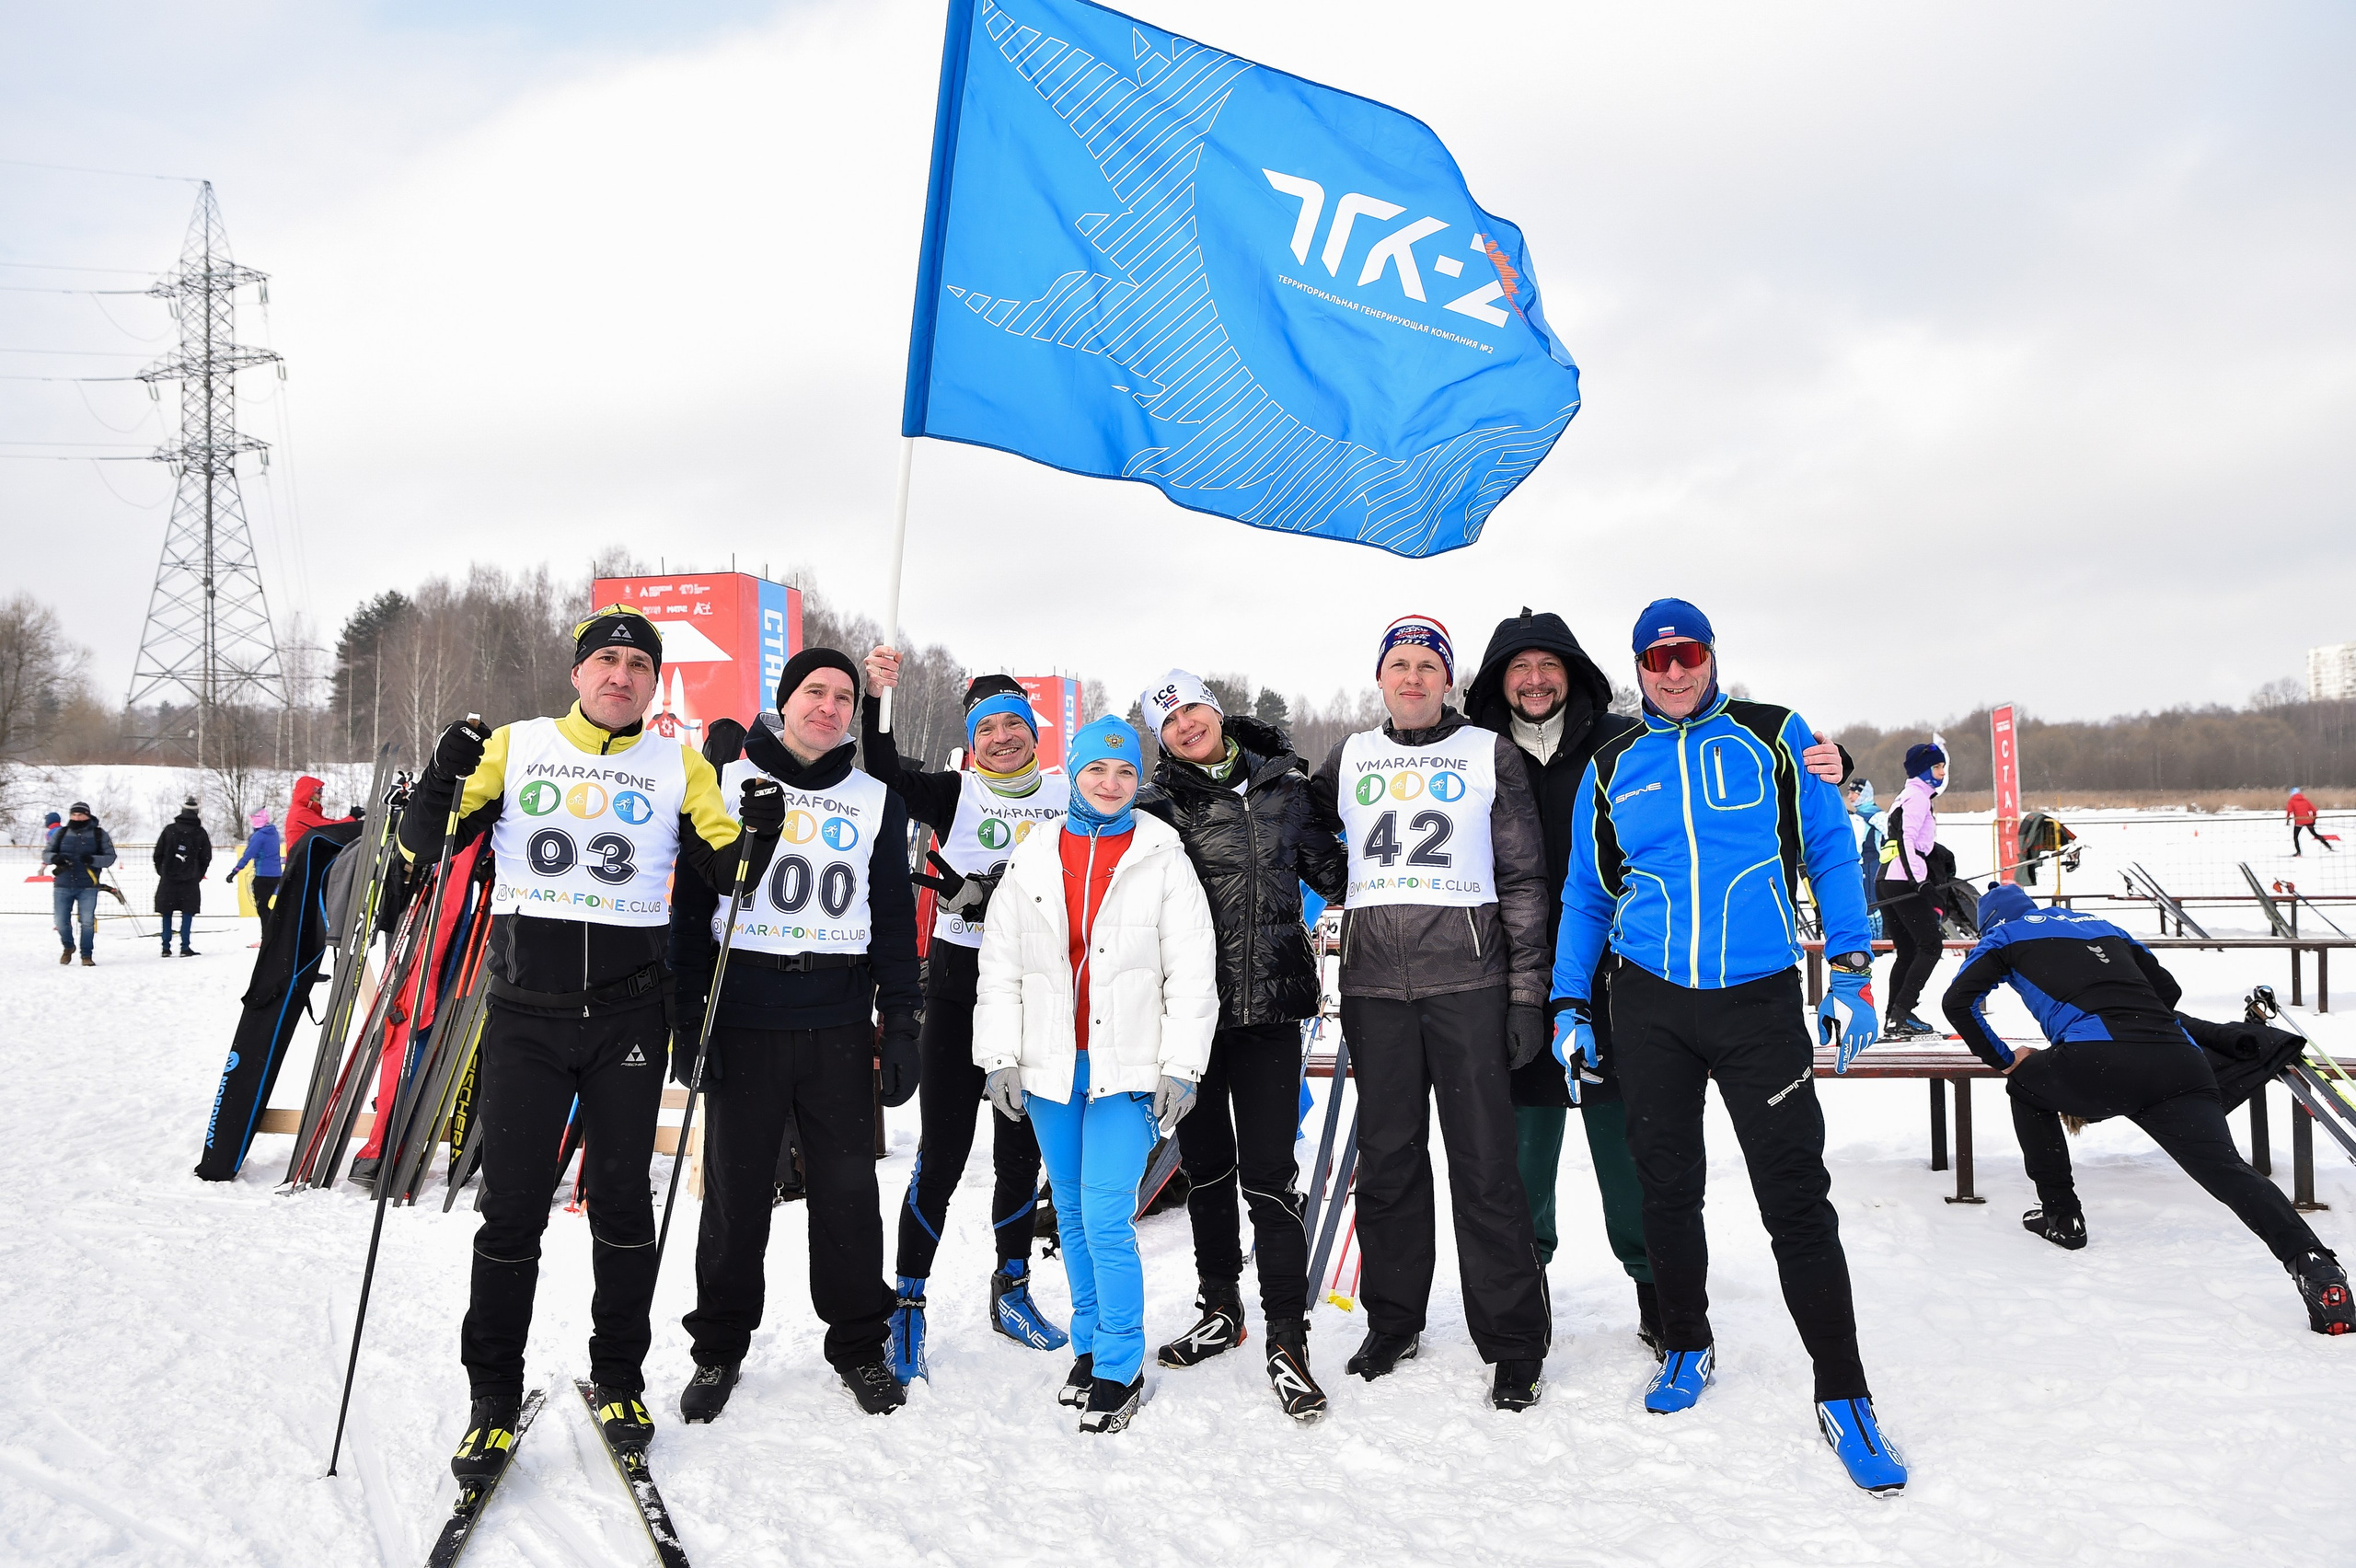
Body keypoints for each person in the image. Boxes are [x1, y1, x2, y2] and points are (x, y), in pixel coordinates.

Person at [410, 605, 784, 1487]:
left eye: (638, 665)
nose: (621, 675)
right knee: (512, 1211)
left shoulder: (679, 765)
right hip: (526, 1017)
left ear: (654, 683)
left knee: (622, 1208)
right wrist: (441, 774)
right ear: (578, 674)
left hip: (627, 1020)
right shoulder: (518, 746)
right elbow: (428, 842)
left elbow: (729, 875)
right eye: (606, 661)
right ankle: (492, 1398)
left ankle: (618, 1381)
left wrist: (762, 832)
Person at [1551, 597, 1905, 1494]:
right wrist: (1568, 1002)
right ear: (1637, 668)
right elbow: (1586, 895)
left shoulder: (1777, 735)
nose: (1674, 671)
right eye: (1656, 658)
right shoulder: (1612, 763)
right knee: (1666, 1187)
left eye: (1688, 654)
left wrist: (1853, 972)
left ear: (1712, 656)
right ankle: (1686, 1341)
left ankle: (1844, 1391)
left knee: (1795, 1194)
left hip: (1759, 1004)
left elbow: (1830, 852)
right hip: (1650, 1002)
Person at [1306, 615, 1554, 1412]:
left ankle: (1513, 1342)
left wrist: (1526, 995)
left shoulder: (1488, 751)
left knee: (1485, 1167)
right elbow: (1303, 830)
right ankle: (1393, 1320)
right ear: (1380, 678)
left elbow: (1523, 879)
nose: (1412, 678)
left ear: (1448, 679)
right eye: (1399, 665)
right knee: (1387, 1164)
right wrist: (1337, 872)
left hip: (1468, 985)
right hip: (1375, 988)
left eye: (1427, 666)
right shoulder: (1351, 755)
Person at [670, 650, 925, 1419]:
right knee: (736, 1193)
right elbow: (689, 910)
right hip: (744, 1012)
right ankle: (718, 1348)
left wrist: (902, 1021)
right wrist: (688, 1018)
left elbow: (893, 917)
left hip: (836, 1019)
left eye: (844, 697)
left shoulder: (875, 800)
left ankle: (858, 1343)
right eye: (814, 691)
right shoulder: (725, 780)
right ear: (784, 701)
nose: (829, 706)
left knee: (848, 1193)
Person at [1945, 883, 2351, 1336]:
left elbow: (1957, 1002)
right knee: (2228, 1170)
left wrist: (2005, 1059)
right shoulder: (2102, 925)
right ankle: (2314, 1265)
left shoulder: (2002, 936)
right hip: (2180, 1062)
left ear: (1990, 923)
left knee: (2025, 1087)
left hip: (2097, 1061)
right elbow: (2168, 989)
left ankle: (2062, 1216)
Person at [973, 716, 1218, 1433]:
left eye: (1124, 771)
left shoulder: (1162, 857)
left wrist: (1182, 1066)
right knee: (1075, 1217)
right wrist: (1000, 1055)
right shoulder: (1033, 854)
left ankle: (1119, 1362)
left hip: (1130, 1066)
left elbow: (1192, 971)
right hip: (1052, 1069)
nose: (1111, 783)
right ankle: (1087, 1346)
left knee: (1107, 1216)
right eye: (1096, 770)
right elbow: (1001, 965)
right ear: (1075, 773)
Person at [1135, 668, 1346, 1421]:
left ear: (1216, 711)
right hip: (1189, 1021)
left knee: (1269, 1177)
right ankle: (1221, 1308)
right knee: (1206, 1171)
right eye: (1169, 722)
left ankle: (1287, 1337)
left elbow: (1336, 874)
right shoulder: (1155, 806)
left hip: (1271, 1011)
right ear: (1161, 739)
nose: (1186, 725)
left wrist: (1353, 814)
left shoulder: (1286, 789)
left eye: (1193, 709)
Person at [860, 647, 1070, 1380]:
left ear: (1034, 734)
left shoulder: (1070, 793)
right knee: (943, 1153)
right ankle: (907, 1301)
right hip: (961, 987)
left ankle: (1011, 1287)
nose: (1002, 739)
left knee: (1021, 1154)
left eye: (1014, 726)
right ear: (972, 741)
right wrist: (876, 699)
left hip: (1036, 992)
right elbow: (881, 774)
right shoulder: (956, 793)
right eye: (987, 730)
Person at [1876, 743, 1946, 1037]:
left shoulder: (1908, 795)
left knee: (1907, 951)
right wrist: (1920, 881)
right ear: (1923, 770)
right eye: (1937, 767)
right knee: (1931, 945)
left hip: (1886, 879)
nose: (1942, 773)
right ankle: (1901, 1012)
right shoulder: (1917, 797)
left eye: (1943, 767)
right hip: (1902, 880)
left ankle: (1895, 1017)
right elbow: (1907, 840)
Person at [46, 801, 116, 966]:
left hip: (88, 885)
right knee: (60, 921)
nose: (77, 818)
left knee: (87, 921)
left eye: (80, 815)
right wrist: (55, 858)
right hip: (63, 884)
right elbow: (47, 853)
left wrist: (93, 859)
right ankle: (68, 947)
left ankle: (86, 955)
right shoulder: (62, 833)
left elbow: (110, 857)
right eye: (74, 815)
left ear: (87, 815)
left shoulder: (99, 834)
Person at [154, 795, 213, 957]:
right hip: (190, 881)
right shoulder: (200, 833)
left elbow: (158, 854)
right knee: (188, 913)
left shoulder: (169, 830)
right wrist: (197, 874)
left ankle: (166, 947)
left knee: (166, 912)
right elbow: (206, 857)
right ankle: (185, 946)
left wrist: (163, 871)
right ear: (197, 813)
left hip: (168, 880)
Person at [228, 809, 285, 940]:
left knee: (261, 907)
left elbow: (248, 854)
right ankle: (272, 933)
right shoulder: (274, 833)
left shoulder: (259, 836)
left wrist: (235, 871)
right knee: (264, 905)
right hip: (276, 875)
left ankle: (269, 935)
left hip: (263, 875)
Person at [283, 773, 347, 860]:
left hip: (303, 859)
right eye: (319, 791)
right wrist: (352, 820)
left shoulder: (306, 811)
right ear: (309, 792)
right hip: (301, 862)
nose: (321, 795)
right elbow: (328, 828)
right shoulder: (301, 813)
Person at [2287, 788, 2334, 856]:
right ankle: (2328, 846)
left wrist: (2287, 819)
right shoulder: (2305, 800)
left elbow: (2289, 811)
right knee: (2315, 834)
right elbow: (2314, 810)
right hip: (2308, 820)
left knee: (2296, 837)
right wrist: (2314, 819)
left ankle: (2298, 852)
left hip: (2299, 821)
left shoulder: (2291, 801)